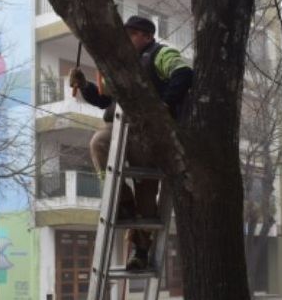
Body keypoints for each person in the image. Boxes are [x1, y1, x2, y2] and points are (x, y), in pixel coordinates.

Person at [69, 15, 193, 271]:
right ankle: (123, 202)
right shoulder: (122, 65)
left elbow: (183, 73)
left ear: (147, 36)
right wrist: (84, 86)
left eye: (132, 34)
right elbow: (106, 101)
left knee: (146, 194)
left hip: (149, 134)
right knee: (99, 143)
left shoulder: (161, 53)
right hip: (120, 126)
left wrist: (164, 106)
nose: (126, 39)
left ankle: (141, 249)